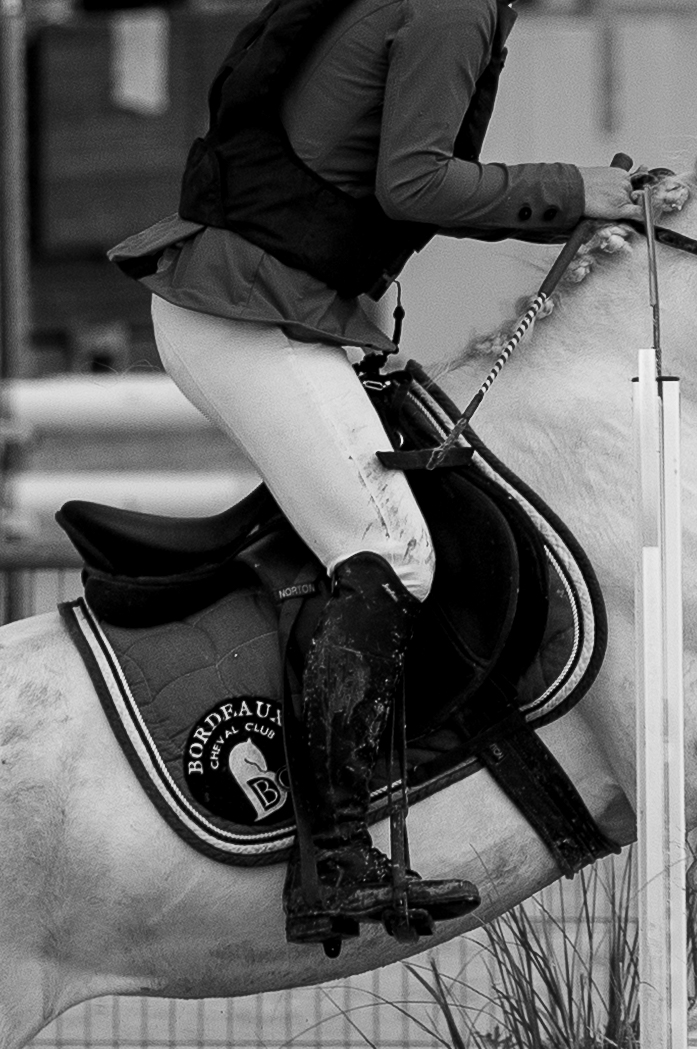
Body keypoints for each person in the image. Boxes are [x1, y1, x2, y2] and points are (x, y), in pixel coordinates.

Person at [107, 0, 640, 949]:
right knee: (391, 550)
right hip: (248, 312)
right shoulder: (456, 5)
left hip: (265, 305)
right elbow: (415, 183)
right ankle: (334, 860)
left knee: (386, 528)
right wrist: (574, 189)